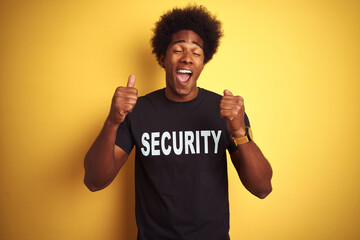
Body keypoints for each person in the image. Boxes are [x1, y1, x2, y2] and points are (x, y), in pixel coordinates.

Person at [84, 5, 273, 240]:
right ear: (163, 58)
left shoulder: (226, 112)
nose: (187, 58)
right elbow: (94, 181)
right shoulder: (135, 111)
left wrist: (238, 130)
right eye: (178, 49)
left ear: (204, 62)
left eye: (196, 52)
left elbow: (262, 188)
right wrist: (113, 121)